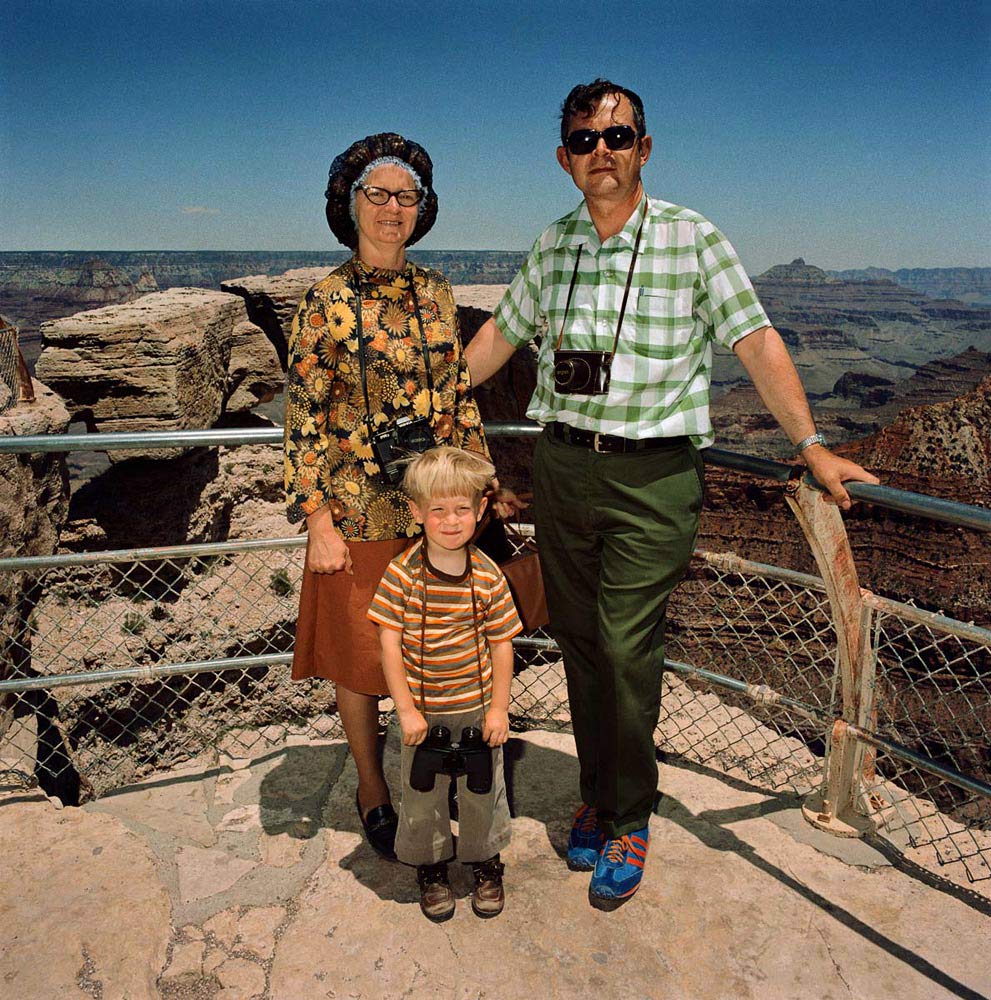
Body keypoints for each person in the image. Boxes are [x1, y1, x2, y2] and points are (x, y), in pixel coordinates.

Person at [464, 79, 880, 909]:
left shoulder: (693, 240)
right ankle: (598, 792)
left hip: (654, 477)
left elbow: (754, 339)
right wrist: (434, 399)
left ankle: (629, 814)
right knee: (579, 643)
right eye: (583, 141)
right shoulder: (553, 246)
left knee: (624, 645)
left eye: (616, 137)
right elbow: (501, 335)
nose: (601, 153)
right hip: (564, 468)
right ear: (563, 159)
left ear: (643, 148)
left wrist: (810, 446)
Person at [284, 133, 512, 862]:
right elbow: (303, 418)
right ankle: (370, 788)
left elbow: (455, 397)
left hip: (431, 515)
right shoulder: (322, 303)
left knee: (435, 650)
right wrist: (316, 517)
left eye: (405, 197)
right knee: (360, 663)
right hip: (354, 515)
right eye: (376, 195)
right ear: (349, 206)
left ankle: (432, 769)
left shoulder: (437, 294)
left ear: (422, 209)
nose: (391, 208)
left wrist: (479, 485)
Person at [367, 446, 522, 921]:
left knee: (482, 791)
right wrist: (406, 710)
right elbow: (388, 645)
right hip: (424, 712)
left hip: (475, 709)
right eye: (437, 510)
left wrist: (498, 710)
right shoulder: (402, 576)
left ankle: (484, 860)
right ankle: (431, 866)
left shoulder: (489, 577)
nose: (450, 521)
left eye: (461, 509)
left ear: (480, 510)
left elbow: (500, 645)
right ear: (416, 512)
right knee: (422, 795)